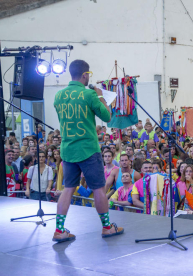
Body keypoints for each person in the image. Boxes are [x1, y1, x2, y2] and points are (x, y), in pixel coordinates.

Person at [53, 59, 123, 242]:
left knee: (68, 189)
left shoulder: (58, 96)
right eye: (88, 75)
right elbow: (107, 116)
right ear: (85, 75)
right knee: (99, 189)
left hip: (68, 150)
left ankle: (59, 230)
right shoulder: (89, 95)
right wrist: (100, 96)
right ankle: (107, 227)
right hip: (88, 149)